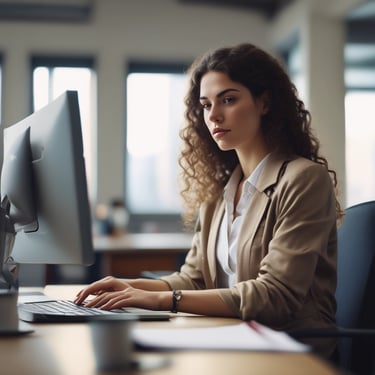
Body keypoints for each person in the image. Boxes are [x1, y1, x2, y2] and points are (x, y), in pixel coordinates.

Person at [75, 43, 342, 358]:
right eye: (205, 104)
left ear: (265, 102)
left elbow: (275, 296)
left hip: (291, 350)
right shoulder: (220, 193)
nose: (213, 115)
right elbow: (194, 278)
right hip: (231, 339)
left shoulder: (303, 179)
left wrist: (164, 300)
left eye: (228, 100)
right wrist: (129, 288)